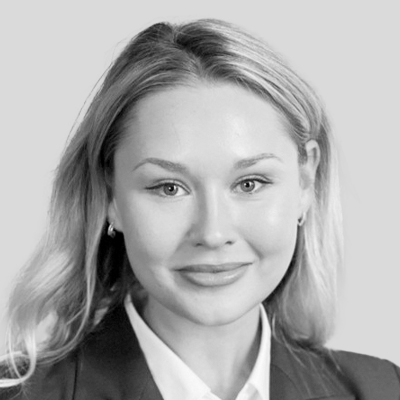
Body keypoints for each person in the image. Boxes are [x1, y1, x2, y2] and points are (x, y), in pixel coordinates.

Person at [0, 18, 399, 400]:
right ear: (110, 195)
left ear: (305, 182)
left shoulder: (385, 389)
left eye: (250, 183)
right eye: (169, 188)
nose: (213, 233)